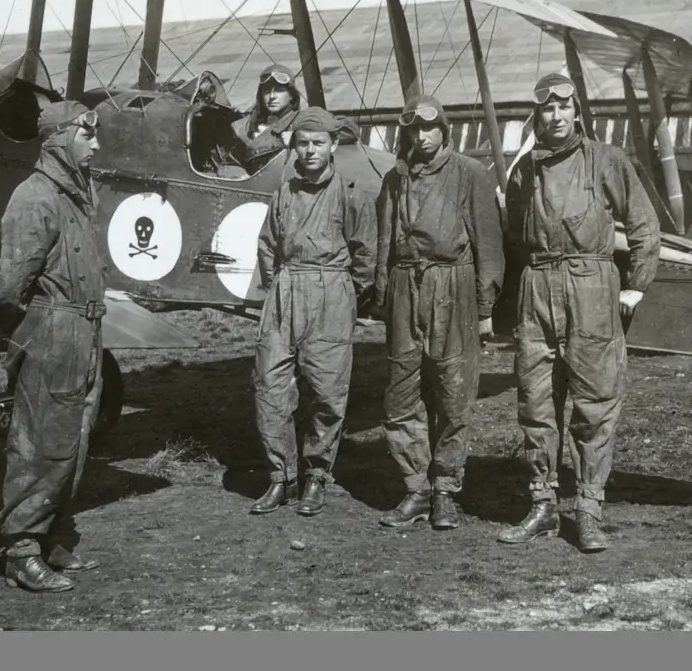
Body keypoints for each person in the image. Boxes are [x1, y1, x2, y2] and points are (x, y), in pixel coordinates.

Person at [497, 73, 660, 552]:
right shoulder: (525, 168)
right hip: (538, 287)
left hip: (592, 286)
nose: (557, 116)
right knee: (535, 403)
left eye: (565, 107)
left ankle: (588, 510)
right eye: (547, 109)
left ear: (577, 112)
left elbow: (645, 226)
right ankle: (543, 505)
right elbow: (514, 233)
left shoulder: (607, 159)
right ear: (537, 117)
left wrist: (636, 287)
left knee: (594, 403)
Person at [0, 84, 107, 592]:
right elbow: (11, 285)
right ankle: (20, 550)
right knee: (40, 442)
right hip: (54, 330)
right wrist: (24, 332)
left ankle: (52, 537)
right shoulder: (34, 196)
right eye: (87, 134)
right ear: (59, 138)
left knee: (75, 441)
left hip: (85, 330)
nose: (95, 145)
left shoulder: (77, 194)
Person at [374, 94, 505, 530]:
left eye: (429, 127)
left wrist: (485, 307)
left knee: (454, 393)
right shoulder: (394, 178)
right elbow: (383, 240)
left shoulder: (469, 173)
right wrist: (383, 295)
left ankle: (445, 490)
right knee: (401, 392)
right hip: (404, 289)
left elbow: (488, 244)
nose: (421, 136)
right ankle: (415, 487)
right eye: (413, 128)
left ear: (443, 129)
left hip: (453, 287)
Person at [249, 106, 378, 517]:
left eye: (317, 143)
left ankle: (317, 477)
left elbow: (365, 255)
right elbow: (268, 244)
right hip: (286, 291)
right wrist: (280, 289)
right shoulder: (284, 192)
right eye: (302, 143)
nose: (309, 151)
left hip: (331, 292)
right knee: (269, 387)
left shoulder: (351, 193)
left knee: (326, 392)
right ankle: (281, 478)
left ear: (332, 145)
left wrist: (343, 296)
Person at [210, 63, 302, 174]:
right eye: (267, 91)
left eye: (279, 90)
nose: (272, 96)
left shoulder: (301, 125)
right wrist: (240, 175)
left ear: (291, 95)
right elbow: (231, 163)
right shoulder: (246, 126)